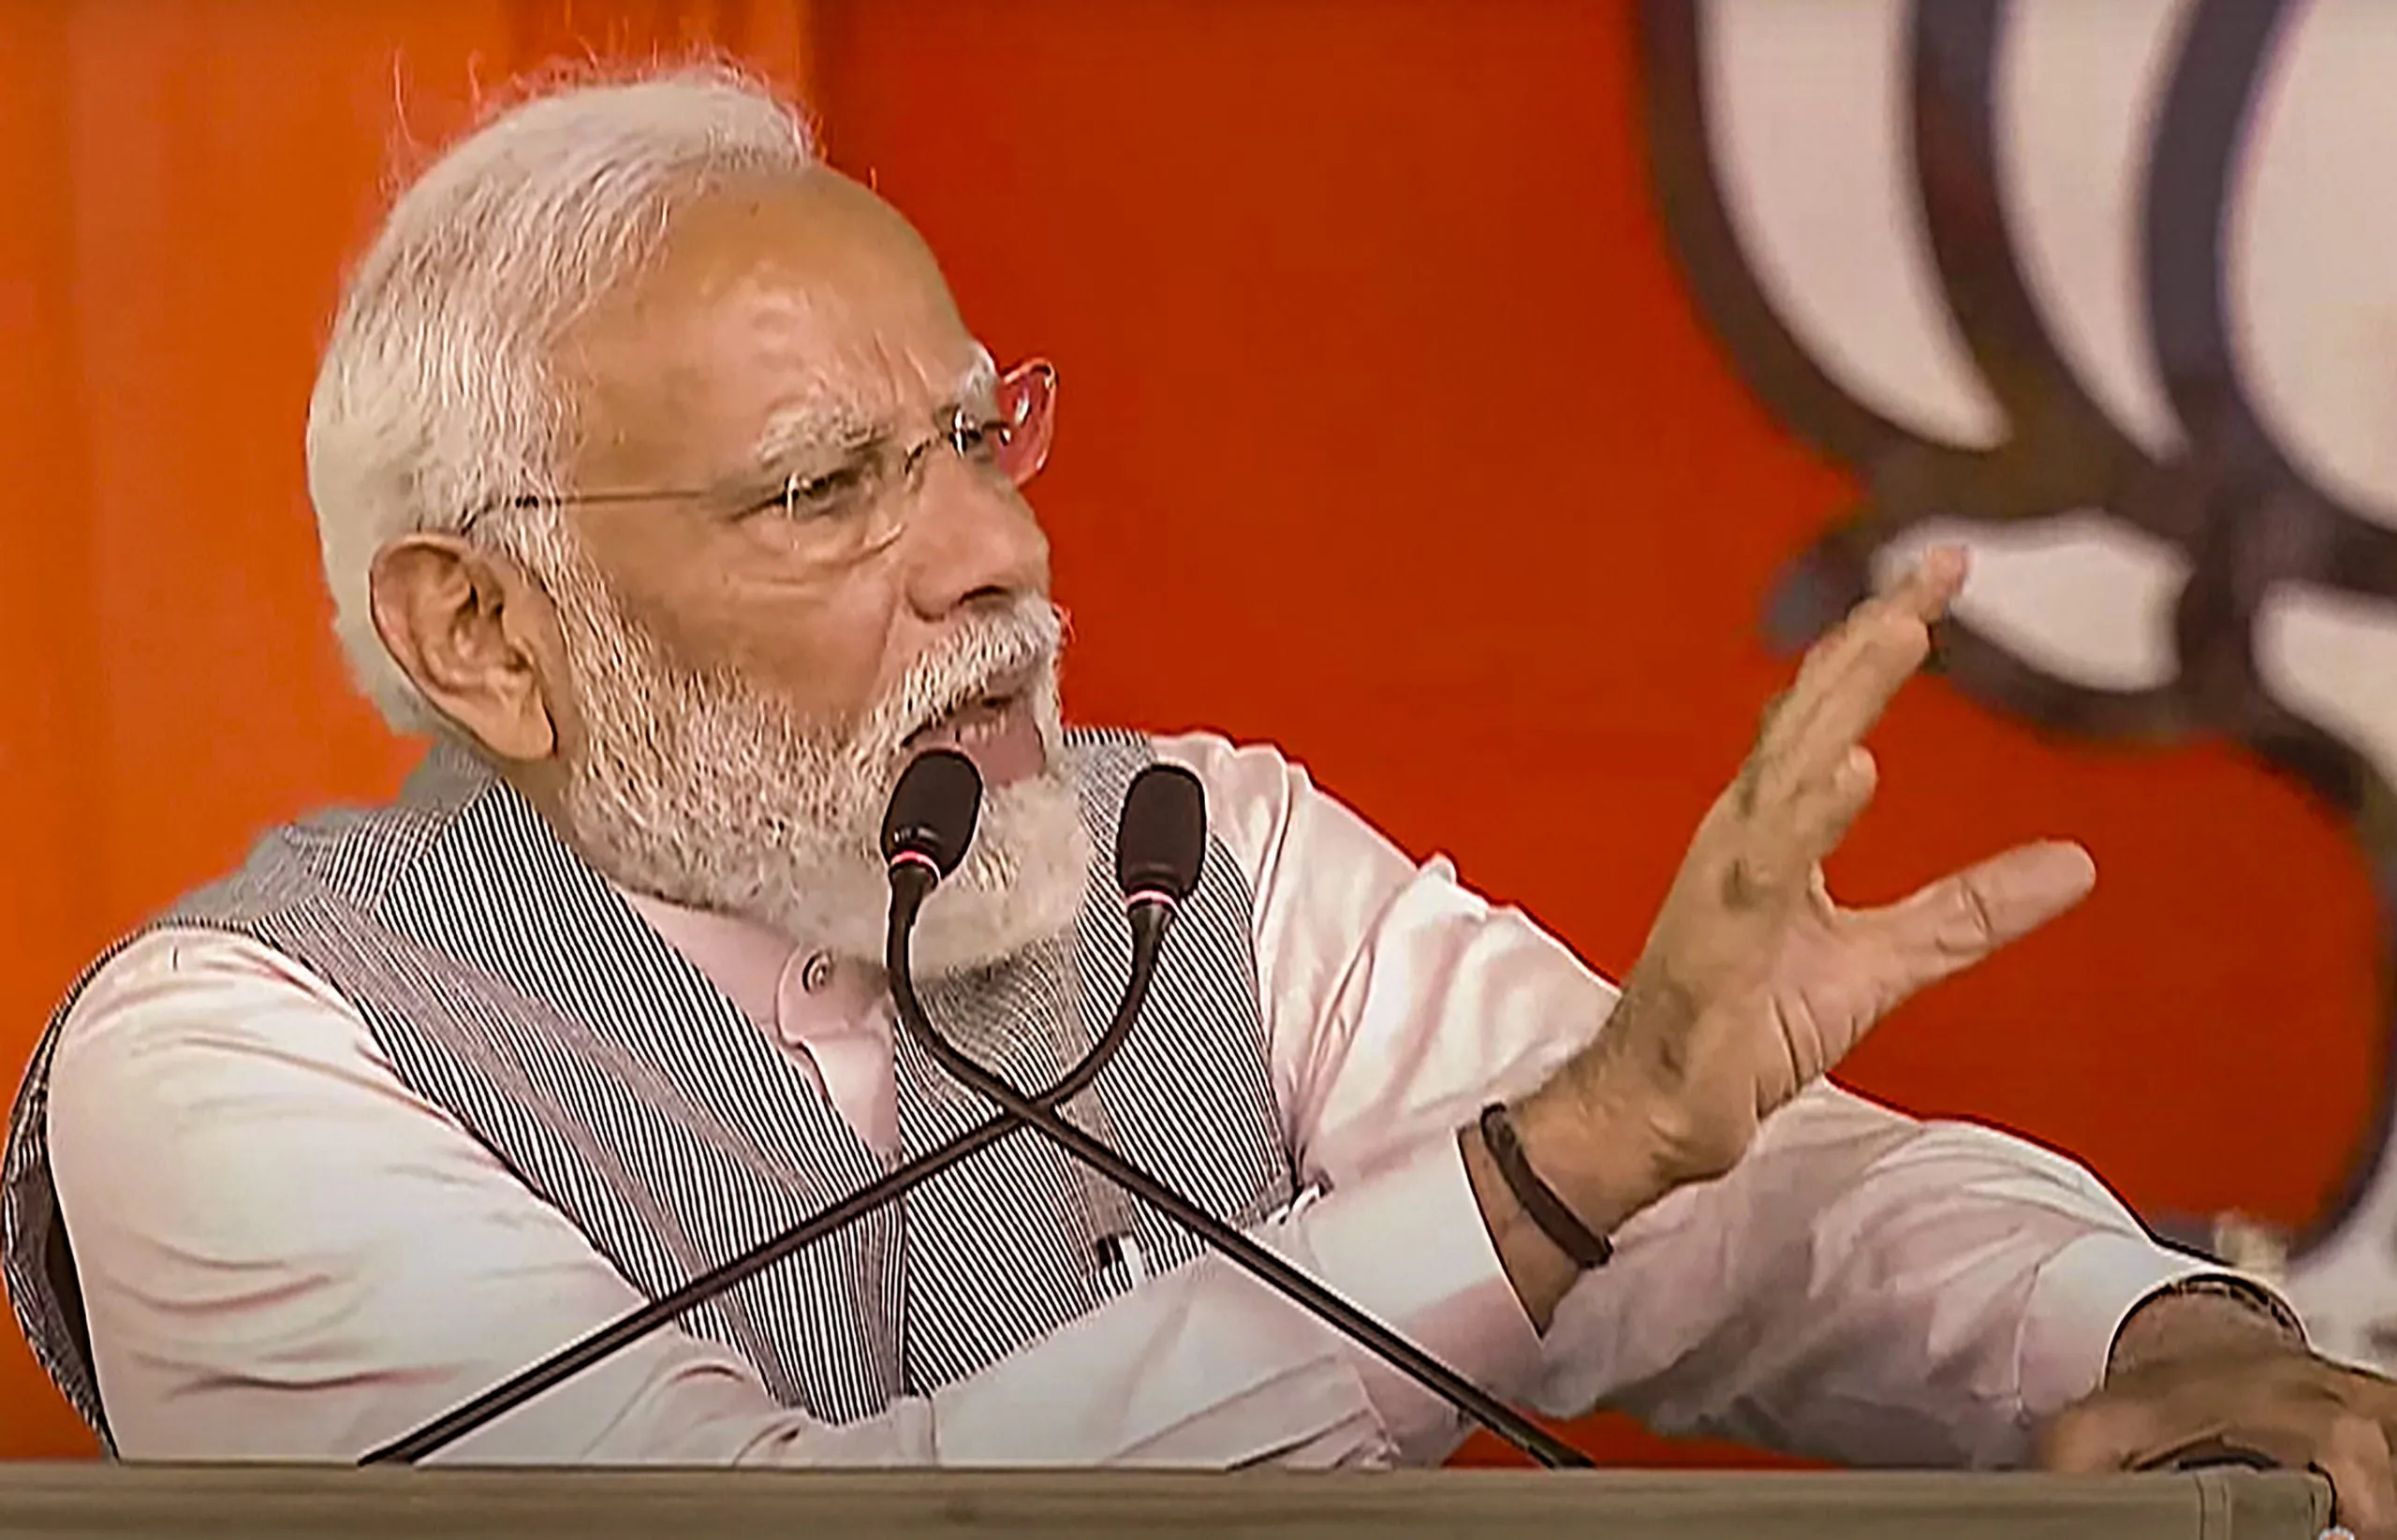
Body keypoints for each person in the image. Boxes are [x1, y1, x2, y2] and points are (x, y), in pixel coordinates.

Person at [6, 65, 2395, 1527]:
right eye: (828, 487)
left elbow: (1723, 1198)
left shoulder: (1186, 859)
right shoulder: (236, 1065)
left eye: (977, 433)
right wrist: (1539, 1179)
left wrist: (2139, 1332)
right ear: (479, 630)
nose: (995, 551)